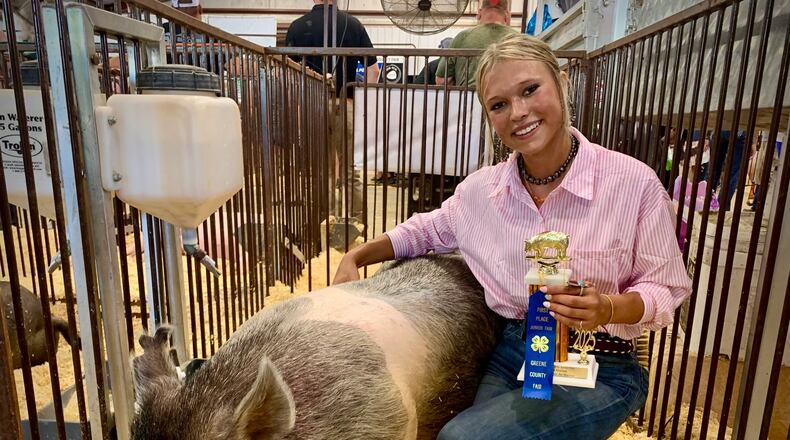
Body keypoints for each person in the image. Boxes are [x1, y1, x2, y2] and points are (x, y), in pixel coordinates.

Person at [333, 33, 691, 439]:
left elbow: (665, 286)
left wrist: (608, 307)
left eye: (530, 90)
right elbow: (425, 230)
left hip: (599, 365)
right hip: (514, 351)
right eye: (499, 105)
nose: (518, 113)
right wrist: (357, 257)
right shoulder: (480, 193)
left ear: (562, 82)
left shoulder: (633, 183)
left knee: (462, 437)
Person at [285, 0, 380, 223]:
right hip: (345, 104)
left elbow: (287, 72)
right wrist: (360, 98)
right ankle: (357, 224)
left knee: (323, 171)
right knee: (350, 170)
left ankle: (326, 220)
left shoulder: (297, 26)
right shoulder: (353, 24)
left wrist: (300, 102)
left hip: (313, 105)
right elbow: (373, 70)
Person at [435, 0, 516, 87]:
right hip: (505, 98)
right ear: (507, 15)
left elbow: (441, 81)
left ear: (479, 13)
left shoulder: (463, 36)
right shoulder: (518, 39)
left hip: (468, 97)